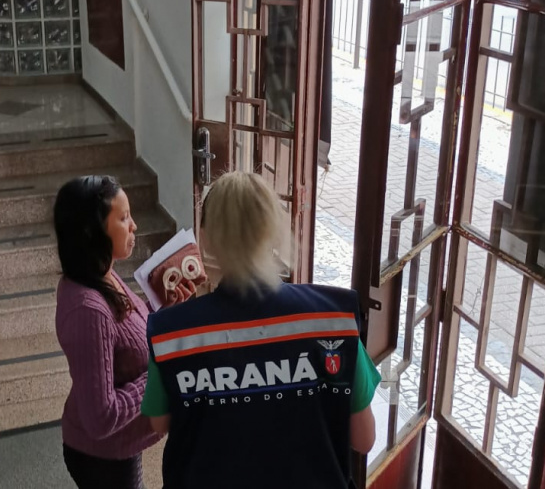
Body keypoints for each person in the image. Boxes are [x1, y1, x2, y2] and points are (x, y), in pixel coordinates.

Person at [141, 171, 380, 488]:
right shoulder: (334, 322)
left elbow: (160, 422)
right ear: (273, 230)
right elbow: (364, 439)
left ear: (207, 237)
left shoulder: (173, 334)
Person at [53, 175, 167, 489]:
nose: (134, 226)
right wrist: (160, 371)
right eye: (123, 217)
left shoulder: (101, 274)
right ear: (93, 231)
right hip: (102, 458)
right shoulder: (88, 309)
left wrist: (162, 302)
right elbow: (101, 418)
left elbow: (125, 329)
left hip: (121, 447)